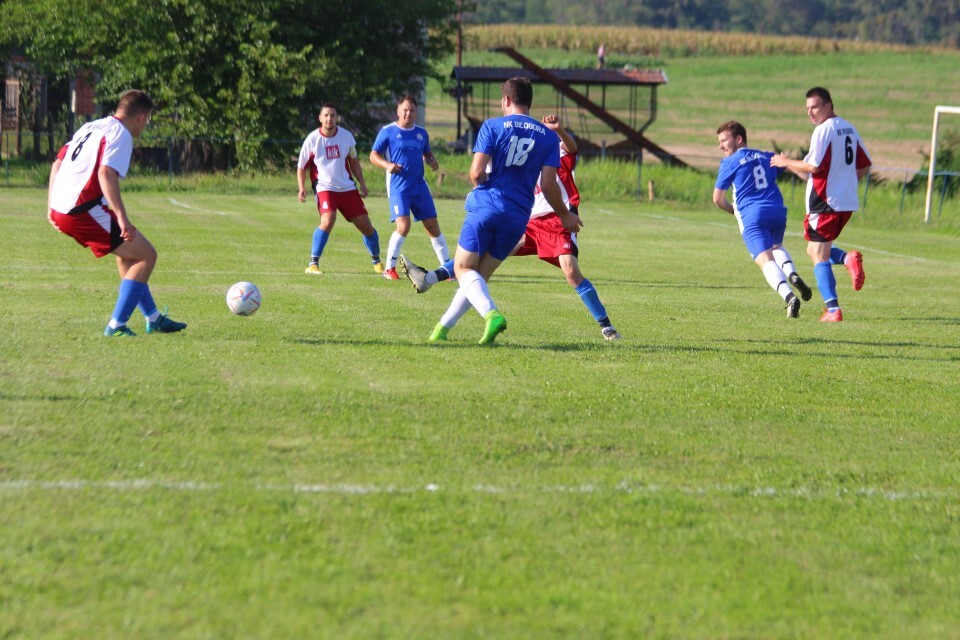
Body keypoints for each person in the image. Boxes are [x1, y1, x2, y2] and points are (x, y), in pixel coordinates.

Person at [400, 115, 621, 341]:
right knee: (478, 263)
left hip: (558, 221)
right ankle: (432, 285)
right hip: (531, 222)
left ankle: (606, 326)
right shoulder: (532, 156)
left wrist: (559, 130)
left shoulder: (560, 154)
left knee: (571, 272)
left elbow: (572, 148)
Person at [421, 77, 581, 345]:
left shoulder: (492, 126)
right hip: (518, 217)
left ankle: (492, 314)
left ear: (506, 100)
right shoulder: (547, 137)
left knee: (462, 268)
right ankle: (441, 330)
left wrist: (485, 182)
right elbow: (549, 184)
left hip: (487, 207)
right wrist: (564, 214)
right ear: (528, 102)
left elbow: (475, 174)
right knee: (478, 278)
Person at [47, 89, 187, 337]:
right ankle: (117, 325)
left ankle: (153, 318)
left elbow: (57, 162)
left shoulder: (92, 125)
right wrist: (123, 218)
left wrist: (51, 206)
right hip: (81, 210)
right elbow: (105, 173)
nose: (145, 126)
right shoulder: (121, 134)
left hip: (65, 207)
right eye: (148, 120)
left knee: (127, 256)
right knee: (146, 255)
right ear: (142, 116)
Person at [770, 87, 871, 322]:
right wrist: (789, 165)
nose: (810, 112)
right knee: (813, 249)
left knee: (819, 255)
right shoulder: (848, 128)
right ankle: (848, 259)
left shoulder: (823, 131)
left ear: (828, 105)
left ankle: (833, 309)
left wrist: (785, 160)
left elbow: (814, 167)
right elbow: (865, 165)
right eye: (807, 108)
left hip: (824, 203)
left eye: (814, 107)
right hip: (844, 203)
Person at [712, 120, 813, 318]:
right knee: (776, 247)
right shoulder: (766, 156)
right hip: (777, 210)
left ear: (739, 139)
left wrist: (734, 211)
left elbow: (717, 199)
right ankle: (792, 273)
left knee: (764, 260)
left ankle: (789, 297)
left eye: (724, 140)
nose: (721, 146)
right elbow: (791, 166)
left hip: (753, 214)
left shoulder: (729, 162)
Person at [369, 95, 449, 280]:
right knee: (403, 226)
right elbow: (373, 155)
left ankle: (447, 268)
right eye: (405, 110)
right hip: (399, 188)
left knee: (433, 227)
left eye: (412, 110)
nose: (408, 113)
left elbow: (427, 154)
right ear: (398, 111)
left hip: (419, 187)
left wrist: (432, 161)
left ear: (416, 112)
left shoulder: (421, 133)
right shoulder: (388, 131)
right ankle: (389, 269)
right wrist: (388, 165)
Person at [297, 103, 382, 275]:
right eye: (326, 115)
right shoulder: (313, 139)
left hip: (347, 188)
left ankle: (377, 261)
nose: (329, 118)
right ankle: (313, 264)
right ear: (320, 118)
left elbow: (354, 161)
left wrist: (362, 183)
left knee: (366, 226)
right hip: (324, 187)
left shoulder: (346, 137)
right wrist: (301, 187)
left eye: (333, 115)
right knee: (328, 220)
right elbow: (301, 167)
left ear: (337, 118)